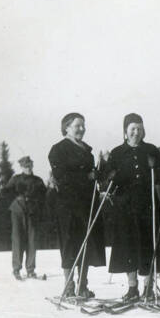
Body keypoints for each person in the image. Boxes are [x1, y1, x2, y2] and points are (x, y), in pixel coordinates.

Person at [105, 113, 160, 300]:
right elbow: (109, 181)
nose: (136, 133)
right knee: (128, 247)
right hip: (125, 207)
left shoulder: (151, 150)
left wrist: (157, 167)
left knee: (149, 245)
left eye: (139, 129)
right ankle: (132, 287)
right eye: (132, 129)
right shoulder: (117, 153)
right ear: (125, 132)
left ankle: (148, 287)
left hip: (148, 205)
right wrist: (110, 175)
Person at [48, 112, 106, 298]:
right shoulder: (58, 149)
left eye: (83, 125)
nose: (82, 129)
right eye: (77, 126)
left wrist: (100, 168)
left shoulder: (87, 151)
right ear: (66, 127)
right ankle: (69, 285)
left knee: (86, 244)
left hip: (87, 204)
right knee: (69, 244)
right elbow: (62, 178)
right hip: (67, 206)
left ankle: (82, 285)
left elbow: (93, 177)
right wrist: (86, 177)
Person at [2, 156, 47, 280]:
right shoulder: (16, 179)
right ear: (21, 167)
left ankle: (30, 269)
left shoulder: (38, 180)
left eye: (30, 166)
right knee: (17, 238)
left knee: (32, 240)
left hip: (32, 211)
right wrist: (1, 187)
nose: (28, 168)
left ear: (32, 166)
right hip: (17, 210)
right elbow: (5, 192)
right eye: (26, 166)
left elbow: (45, 195)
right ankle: (16, 269)